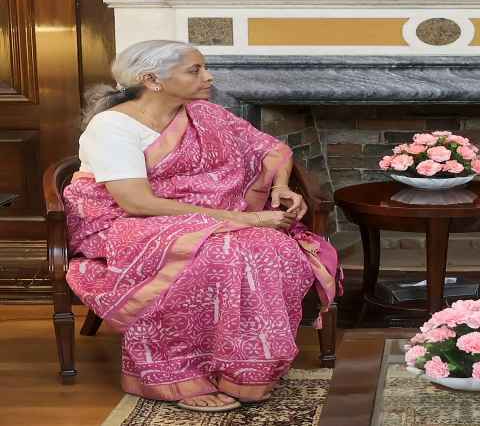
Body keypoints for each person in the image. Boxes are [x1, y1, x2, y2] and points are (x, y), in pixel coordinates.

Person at [64, 40, 340, 412]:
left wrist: (280, 187)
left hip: (208, 218)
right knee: (218, 253)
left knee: (271, 248)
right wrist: (247, 218)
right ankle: (176, 375)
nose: (208, 76)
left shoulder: (205, 114)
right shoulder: (112, 127)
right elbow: (136, 202)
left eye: (203, 67)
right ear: (152, 80)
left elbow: (267, 148)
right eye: (194, 70)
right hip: (129, 223)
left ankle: (244, 370)